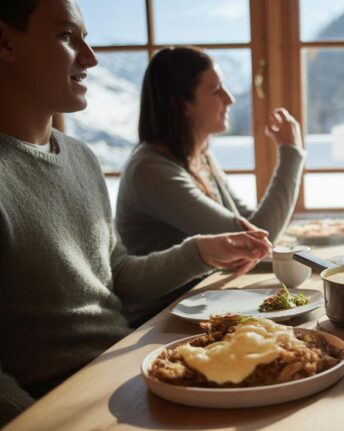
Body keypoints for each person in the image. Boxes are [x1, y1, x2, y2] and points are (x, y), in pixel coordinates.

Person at [0, 0, 271, 425]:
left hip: (122, 365)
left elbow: (118, 278)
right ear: (5, 42)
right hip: (64, 401)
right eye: (67, 37)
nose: (90, 58)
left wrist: (199, 252)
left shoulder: (80, 158)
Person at [114, 47, 305, 323]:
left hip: (198, 304)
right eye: (216, 91)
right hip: (159, 322)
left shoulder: (199, 157)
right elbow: (256, 239)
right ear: (184, 105)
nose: (230, 98)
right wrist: (290, 153)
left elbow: (249, 225)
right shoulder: (151, 170)